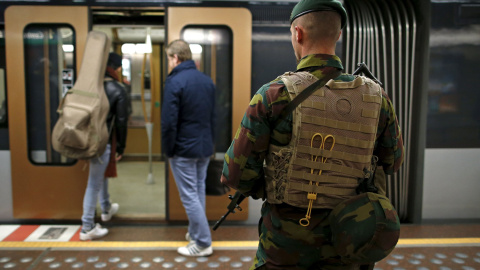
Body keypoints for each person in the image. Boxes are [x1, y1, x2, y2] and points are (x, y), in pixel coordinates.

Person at [221, 0, 405, 269]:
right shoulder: (378, 98)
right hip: (352, 243)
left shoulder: (274, 95)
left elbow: (236, 174)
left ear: (298, 33)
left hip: (285, 247)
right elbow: (393, 162)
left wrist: (274, 183)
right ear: (338, 34)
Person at [161, 40, 216, 256]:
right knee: (197, 191)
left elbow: (168, 123)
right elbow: (213, 117)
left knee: (189, 196)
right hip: (203, 147)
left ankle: (203, 242)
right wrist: (211, 144)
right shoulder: (206, 80)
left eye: (168, 59)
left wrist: (169, 150)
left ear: (175, 58)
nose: (169, 64)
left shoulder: (175, 82)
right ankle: (195, 233)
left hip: (183, 149)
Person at [80, 52, 129, 241]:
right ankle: (87, 227)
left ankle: (106, 208)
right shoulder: (118, 89)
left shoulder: (92, 85)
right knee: (94, 183)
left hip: (88, 139)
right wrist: (121, 148)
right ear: (116, 68)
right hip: (104, 142)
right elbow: (121, 122)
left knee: (100, 176)